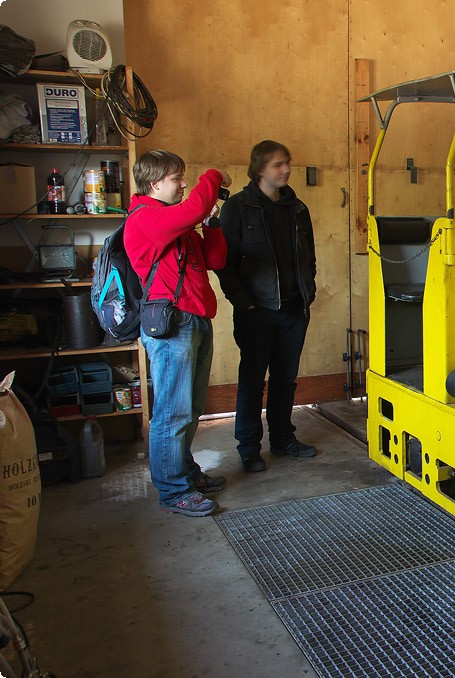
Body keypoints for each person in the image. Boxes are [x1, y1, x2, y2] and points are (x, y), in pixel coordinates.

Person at [124, 149, 231, 517]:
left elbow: (214, 260)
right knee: (172, 412)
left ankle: (184, 471)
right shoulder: (145, 220)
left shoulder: (177, 225)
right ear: (154, 184)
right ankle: (173, 491)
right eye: (176, 178)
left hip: (195, 320)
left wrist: (213, 225)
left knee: (190, 408)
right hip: (172, 325)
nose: (184, 184)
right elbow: (194, 208)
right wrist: (213, 175)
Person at [216, 140, 317, 473]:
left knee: (285, 380)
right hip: (256, 311)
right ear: (259, 168)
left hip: (293, 310)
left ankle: (283, 439)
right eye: (277, 164)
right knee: (252, 380)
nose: (286, 169)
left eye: (287, 162)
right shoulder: (238, 207)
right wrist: (244, 304)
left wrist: (308, 293)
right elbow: (224, 263)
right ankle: (248, 448)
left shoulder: (298, 209)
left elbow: (309, 259)